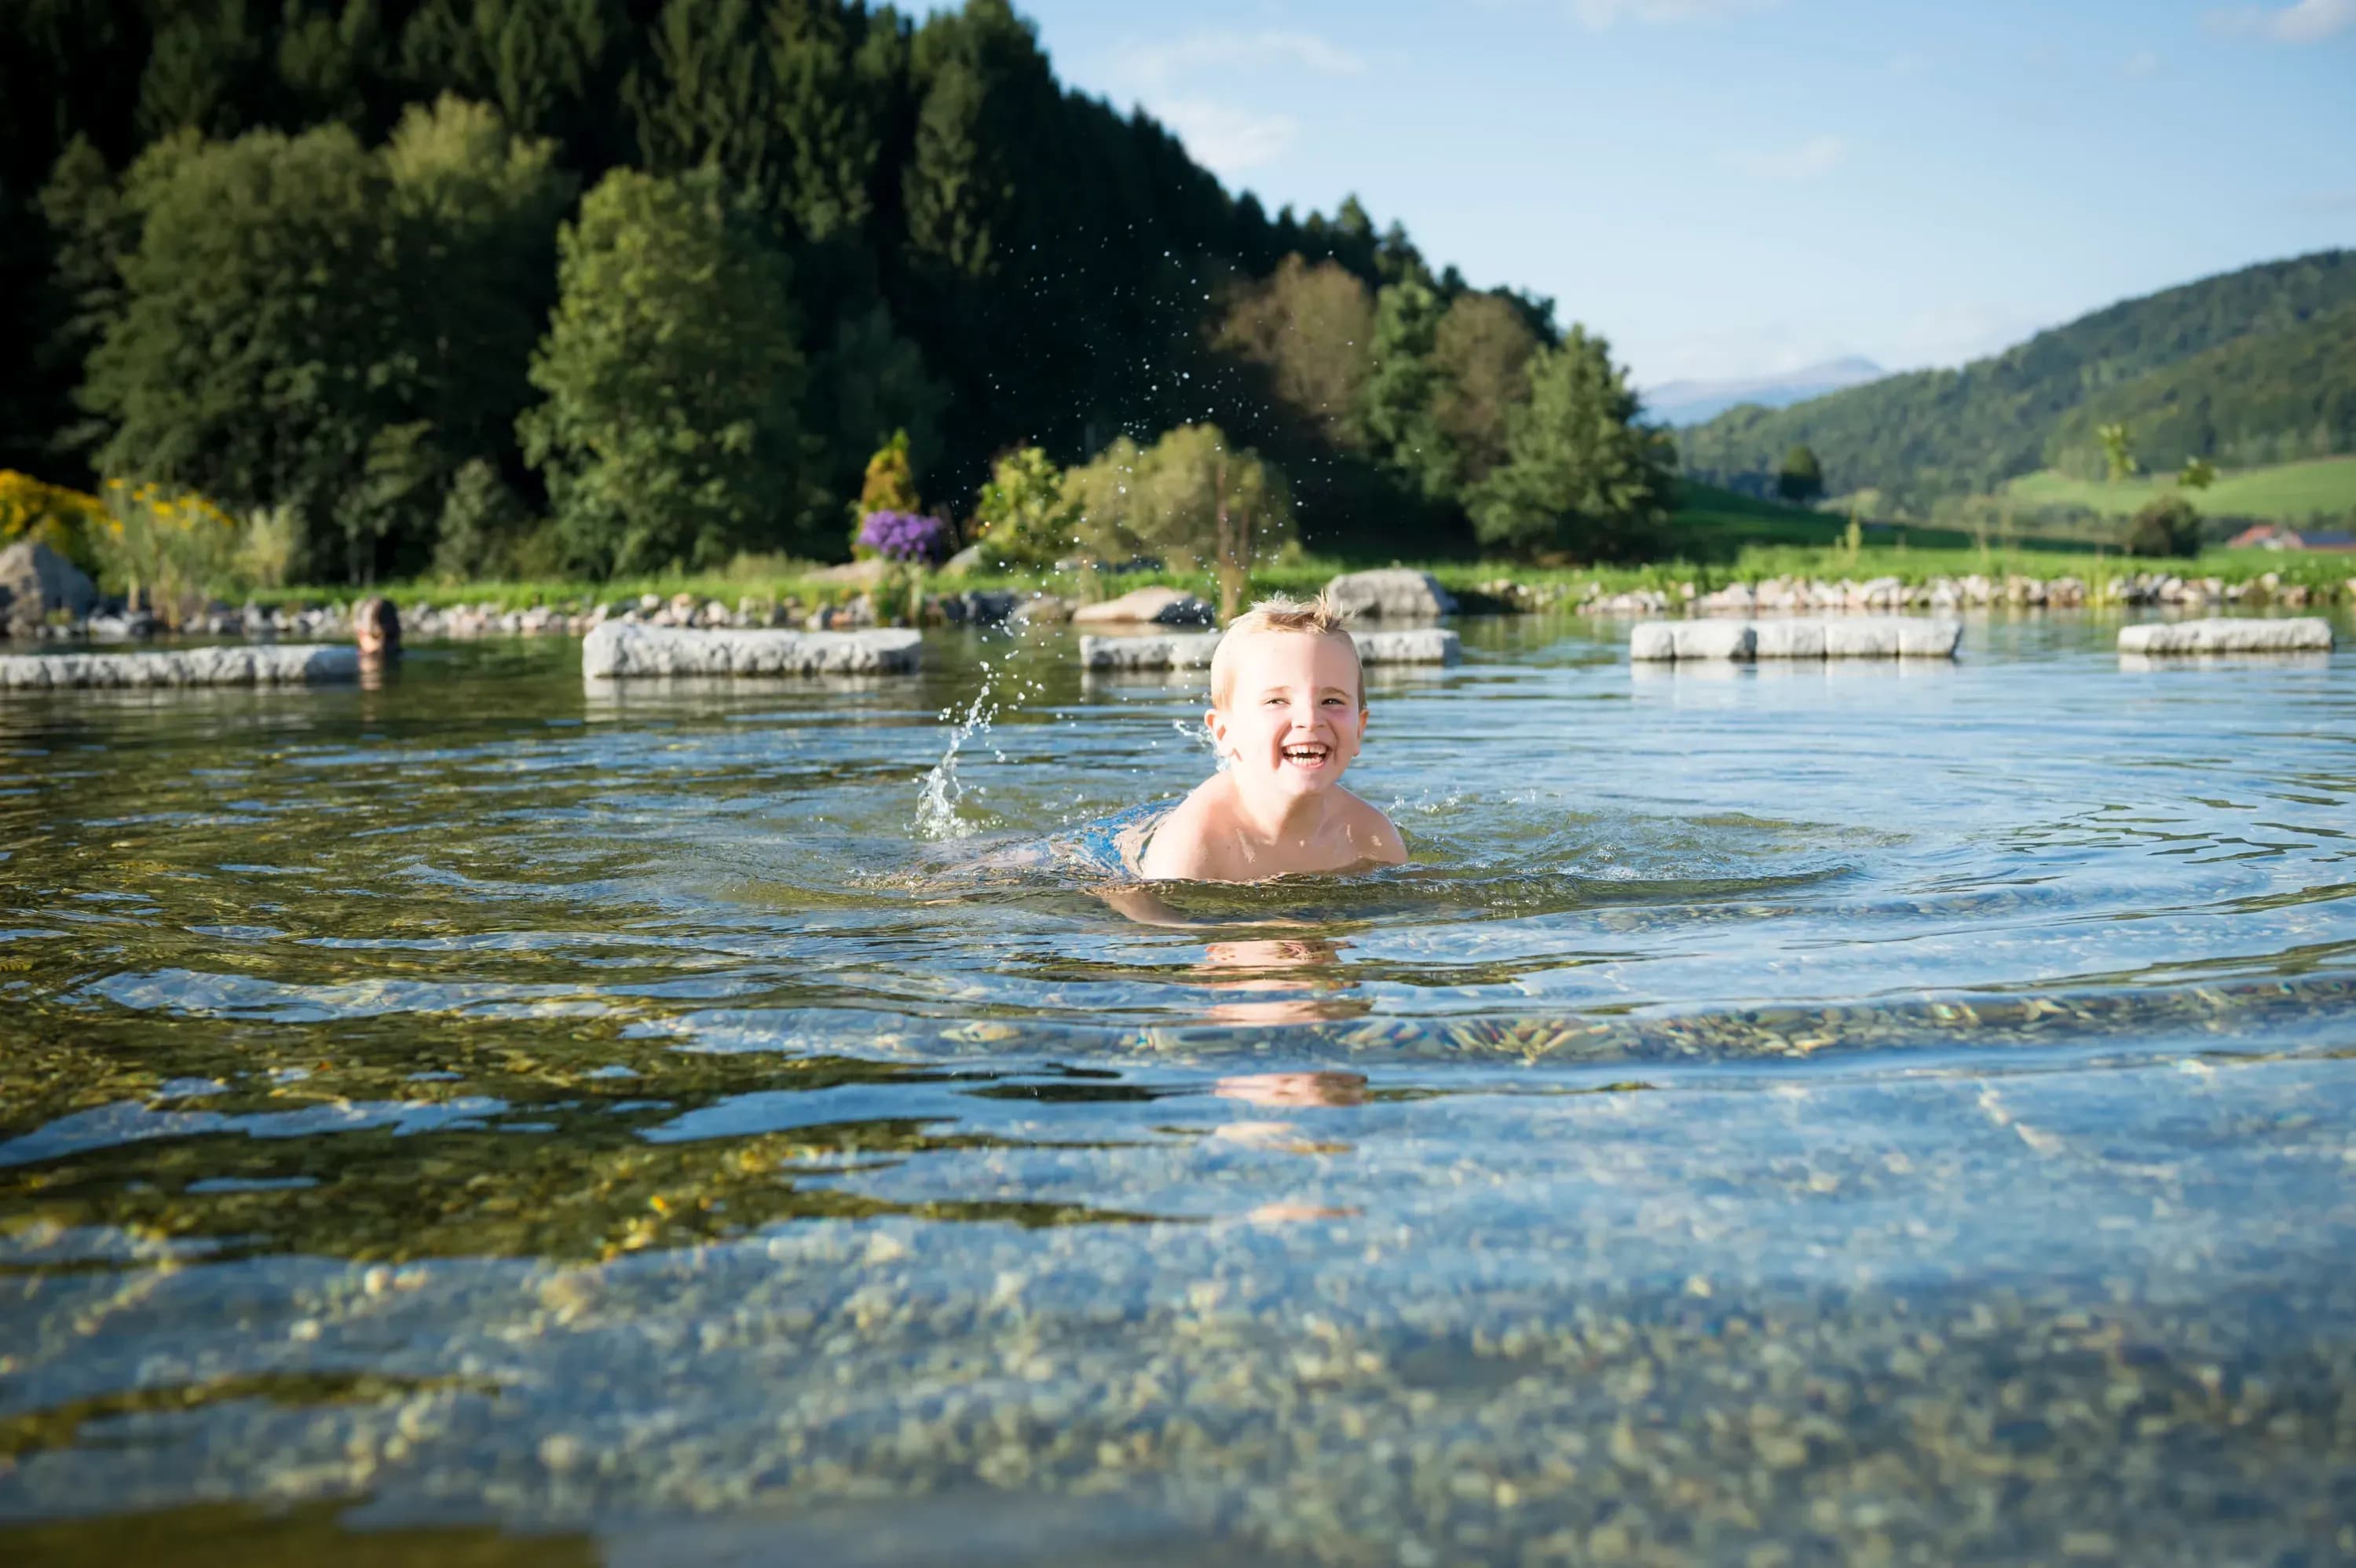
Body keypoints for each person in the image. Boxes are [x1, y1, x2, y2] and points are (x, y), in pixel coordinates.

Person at [1132, 593, 1407, 883]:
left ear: (1359, 730)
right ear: (1224, 732)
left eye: (1332, 701)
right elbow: (1146, 907)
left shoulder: (1372, 838)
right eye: (1277, 701)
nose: (1310, 719)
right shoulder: (1191, 847)